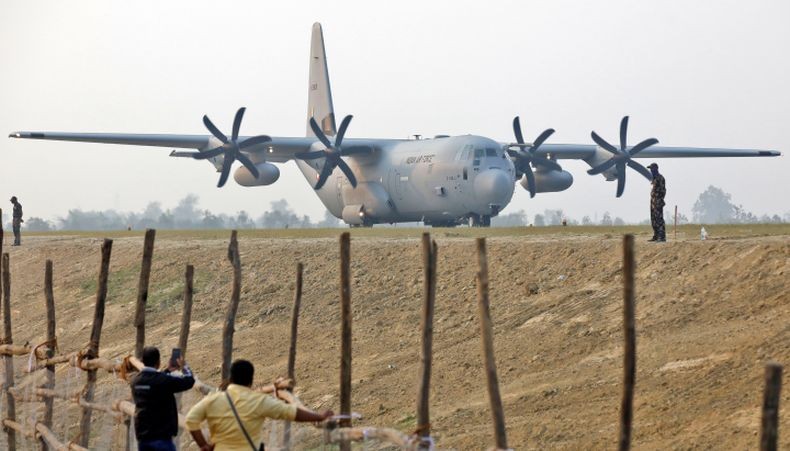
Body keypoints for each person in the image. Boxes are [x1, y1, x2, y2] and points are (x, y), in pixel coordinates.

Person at [186, 359, 333, 451]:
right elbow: (292, 413)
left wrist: (203, 445)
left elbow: (191, 420)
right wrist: (319, 417)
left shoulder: (213, 399)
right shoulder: (259, 401)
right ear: (251, 380)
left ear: (231, 379)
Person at [131, 346, 196, 451]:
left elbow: (152, 382)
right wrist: (184, 366)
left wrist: (167, 371)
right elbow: (189, 381)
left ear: (142, 361)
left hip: (143, 437)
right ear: (158, 362)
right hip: (161, 437)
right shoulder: (163, 381)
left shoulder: (135, 382)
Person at [647, 163, 666, 242]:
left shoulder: (660, 178)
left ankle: (662, 237)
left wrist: (660, 199)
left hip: (658, 201)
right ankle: (656, 235)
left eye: (652, 169)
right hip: (653, 201)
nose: (651, 170)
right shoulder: (654, 178)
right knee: (653, 219)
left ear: (655, 169)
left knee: (659, 219)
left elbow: (663, 190)